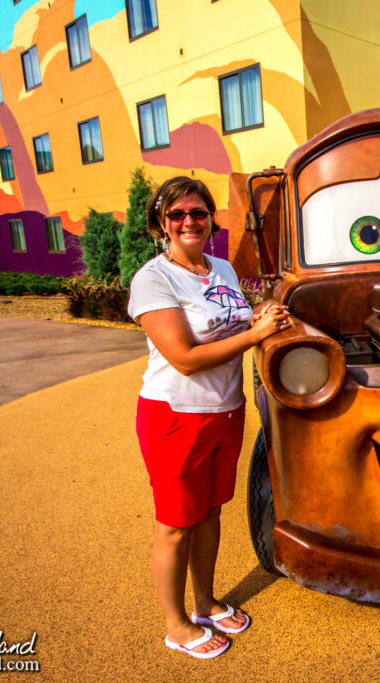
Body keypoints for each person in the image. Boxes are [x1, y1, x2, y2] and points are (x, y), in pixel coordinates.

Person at [127, 176, 289, 659]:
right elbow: (185, 356)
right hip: (175, 414)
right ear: (161, 223)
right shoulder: (153, 279)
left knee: (211, 512)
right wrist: (257, 332)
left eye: (197, 212)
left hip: (225, 409)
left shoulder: (219, 267)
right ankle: (176, 625)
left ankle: (203, 602)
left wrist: (258, 311)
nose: (188, 222)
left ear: (210, 218)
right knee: (177, 524)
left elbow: (229, 321)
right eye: (176, 215)